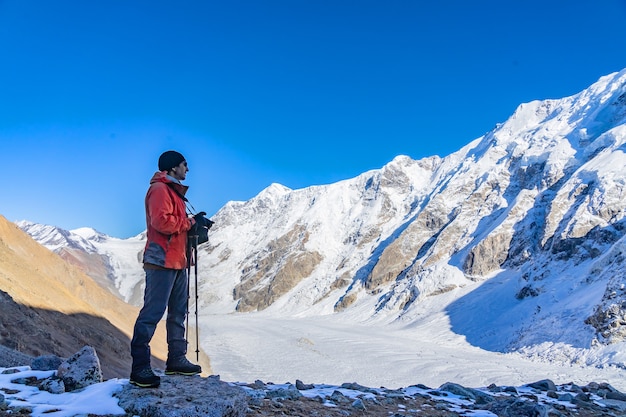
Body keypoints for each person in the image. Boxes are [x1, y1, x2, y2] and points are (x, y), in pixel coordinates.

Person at [130, 150, 203, 388]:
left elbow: (175, 225)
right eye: (184, 165)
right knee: (153, 313)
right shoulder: (160, 190)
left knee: (177, 312)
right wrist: (191, 223)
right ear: (173, 168)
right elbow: (161, 222)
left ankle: (176, 359)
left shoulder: (172, 191)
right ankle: (140, 367)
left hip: (178, 260)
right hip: (161, 260)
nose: (187, 170)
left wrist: (192, 226)